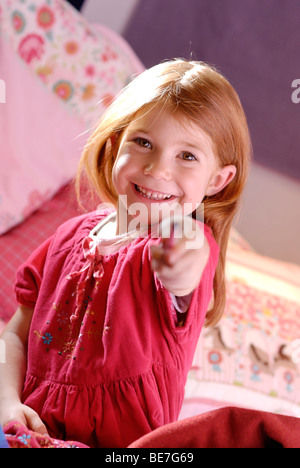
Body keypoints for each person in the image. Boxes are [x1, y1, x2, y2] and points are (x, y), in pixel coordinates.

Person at [0, 59, 251, 448]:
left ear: (217, 180)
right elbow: (14, 334)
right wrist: (7, 402)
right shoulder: (67, 237)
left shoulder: (187, 241)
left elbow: (189, 265)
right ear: (116, 143)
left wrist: (181, 263)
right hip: (26, 428)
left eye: (187, 156)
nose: (157, 169)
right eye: (144, 142)